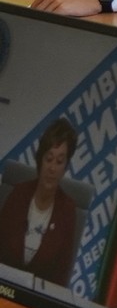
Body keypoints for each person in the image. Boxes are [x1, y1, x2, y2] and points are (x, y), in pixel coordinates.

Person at [0, 121, 80, 284]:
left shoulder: (67, 210)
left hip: (36, 297)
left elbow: (61, 275)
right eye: (49, 159)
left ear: (65, 167)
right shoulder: (19, 194)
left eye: (59, 162)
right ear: (40, 160)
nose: (52, 168)